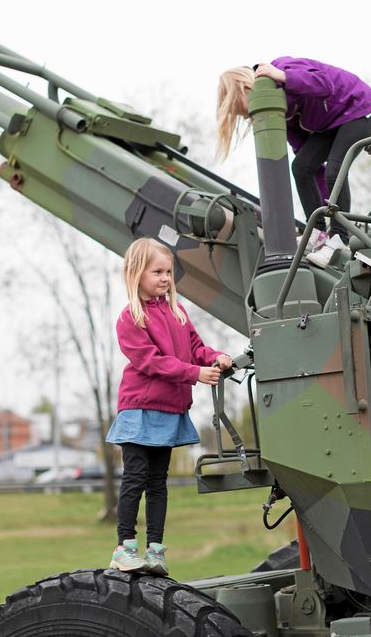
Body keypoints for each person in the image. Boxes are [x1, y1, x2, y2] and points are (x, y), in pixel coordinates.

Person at [106, 237, 233, 576]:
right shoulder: (130, 318)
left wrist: (216, 357)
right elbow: (151, 363)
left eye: (168, 272)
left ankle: (156, 551)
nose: (165, 278)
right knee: (135, 477)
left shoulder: (177, 312)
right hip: (140, 409)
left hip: (170, 410)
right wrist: (195, 373)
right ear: (137, 273)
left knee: (158, 482)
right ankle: (124, 548)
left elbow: (195, 347)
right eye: (157, 271)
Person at [216, 57, 371, 266]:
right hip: (332, 124)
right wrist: (325, 206)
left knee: (335, 169)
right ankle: (318, 231)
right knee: (301, 167)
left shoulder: (281, 68)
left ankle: (341, 236)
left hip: (359, 109)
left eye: (241, 108)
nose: (247, 115)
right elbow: (310, 168)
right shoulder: (282, 113)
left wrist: (284, 77)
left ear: (245, 87)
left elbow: (324, 84)